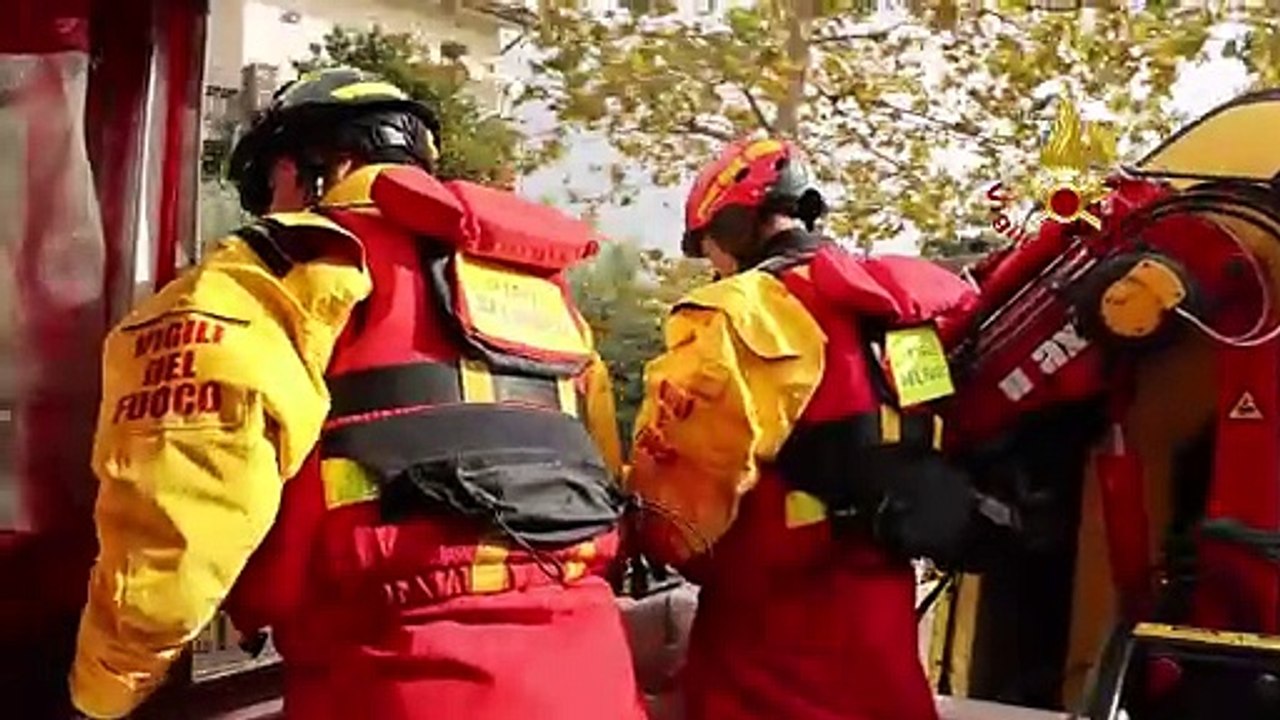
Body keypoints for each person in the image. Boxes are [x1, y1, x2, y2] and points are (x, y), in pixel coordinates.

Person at [69, 67, 647, 720]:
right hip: (593, 675)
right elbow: (603, 476)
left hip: (392, 677)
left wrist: (106, 686)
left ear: (315, 166)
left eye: (269, 187)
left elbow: (182, 509)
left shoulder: (279, 271)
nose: (269, 209)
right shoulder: (545, 299)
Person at [625, 137, 1019, 720]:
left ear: (734, 226)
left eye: (709, 247)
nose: (711, 265)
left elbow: (678, 518)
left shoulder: (734, 315)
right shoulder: (897, 308)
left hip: (767, 643)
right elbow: (935, 432)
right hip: (881, 626)